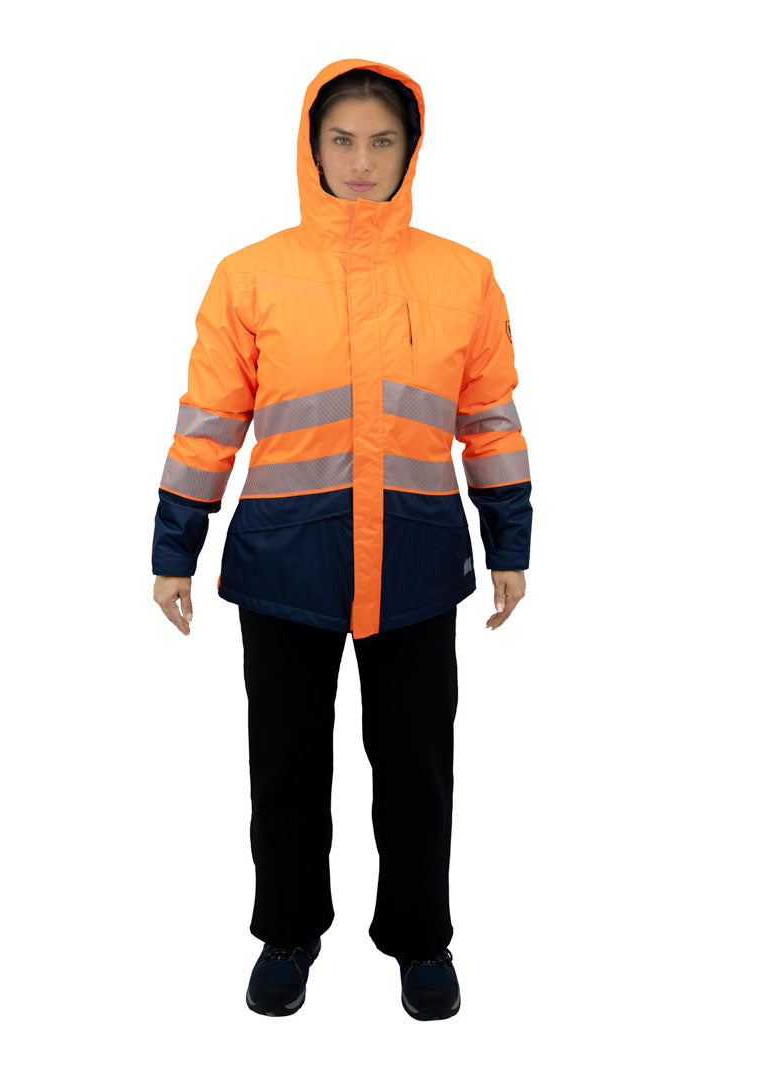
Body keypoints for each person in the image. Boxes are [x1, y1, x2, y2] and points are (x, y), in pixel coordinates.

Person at [151, 58, 532, 1021]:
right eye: (343, 140)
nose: (361, 160)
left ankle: (420, 938)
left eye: (382, 141)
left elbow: (490, 420)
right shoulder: (249, 275)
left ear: (411, 151)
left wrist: (510, 543)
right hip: (287, 559)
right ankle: (287, 933)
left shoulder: (463, 275)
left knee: (417, 768)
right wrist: (174, 549)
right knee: (285, 766)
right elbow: (208, 422)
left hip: (415, 560)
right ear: (311, 147)